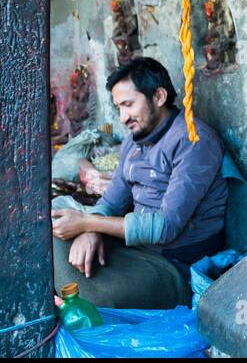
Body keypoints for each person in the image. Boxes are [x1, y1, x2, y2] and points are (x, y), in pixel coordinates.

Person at [51, 56, 228, 308]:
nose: (123, 117)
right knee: (52, 235)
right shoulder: (133, 143)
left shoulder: (192, 141)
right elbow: (111, 201)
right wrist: (89, 230)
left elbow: (166, 227)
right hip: (137, 248)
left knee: (91, 295)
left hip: (176, 265)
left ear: (158, 96)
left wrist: (88, 222)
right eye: (118, 108)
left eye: (128, 105)